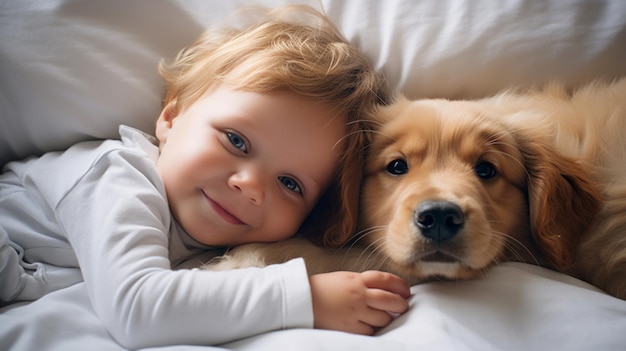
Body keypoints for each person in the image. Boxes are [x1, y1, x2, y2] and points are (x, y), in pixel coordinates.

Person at [0, 4, 410, 349]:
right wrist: (307, 298)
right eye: (236, 141)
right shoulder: (115, 176)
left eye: (291, 184)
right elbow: (137, 307)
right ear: (172, 117)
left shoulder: (218, 249)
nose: (249, 186)